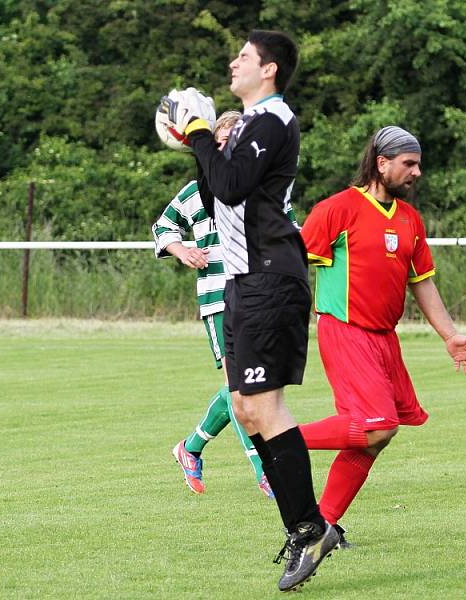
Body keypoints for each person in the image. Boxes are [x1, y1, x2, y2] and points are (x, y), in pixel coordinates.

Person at [159, 30, 338, 591]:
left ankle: (309, 529)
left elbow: (233, 188)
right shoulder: (245, 127)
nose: (232, 63)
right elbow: (215, 196)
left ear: (270, 70)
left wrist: (197, 134)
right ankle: (308, 528)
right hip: (241, 283)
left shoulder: (273, 119)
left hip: (268, 279)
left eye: (243, 57)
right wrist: (202, 141)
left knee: (266, 410)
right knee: (244, 405)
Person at [297, 126, 466, 542]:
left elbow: (422, 283)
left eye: (418, 164)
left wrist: (449, 335)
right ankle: (277, 440)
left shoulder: (409, 220)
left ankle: (320, 525)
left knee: (373, 439)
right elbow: (294, 266)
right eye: (409, 164)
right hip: (345, 331)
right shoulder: (337, 209)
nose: (416, 172)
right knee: (377, 426)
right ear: (381, 163)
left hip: (384, 339)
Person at [152, 110, 273, 500]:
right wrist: (181, 249)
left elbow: (291, 231)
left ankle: (190, 447)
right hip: (219, 301)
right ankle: (264, 470)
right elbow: (162, 227)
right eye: (220, 142)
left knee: (251, 387)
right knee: (240, 387)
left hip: (259, 299)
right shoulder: (195, 193)